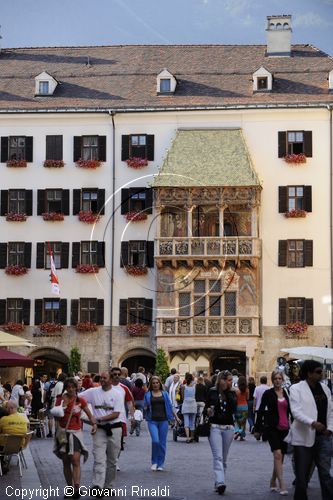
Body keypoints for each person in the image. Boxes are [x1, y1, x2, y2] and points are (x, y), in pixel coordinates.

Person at [289, 360, 333, 500]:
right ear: (309, 373)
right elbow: (296, 412)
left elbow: (330, 411)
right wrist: (312, 423)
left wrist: (330, 428)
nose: (321, 375)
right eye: (318, 372)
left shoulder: (325, 389)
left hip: (323, 436)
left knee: (325, 473)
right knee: (302, 476)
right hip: (303, 437)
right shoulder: (296, 389)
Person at [53, 377, 96, 499]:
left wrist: (95, 424)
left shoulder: (80, 400)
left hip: (76, 432)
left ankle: (77, 487)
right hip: (62, 433)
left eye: (73, 387)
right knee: (66, 461)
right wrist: (62, 409)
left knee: (75, 459)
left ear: (76, 388)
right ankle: (70, 488)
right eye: (68, 387)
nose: (71, 389)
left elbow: (89, 414)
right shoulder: (60, 400)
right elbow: (55, 417)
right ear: (65, 388)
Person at [81, 370, 123, 495]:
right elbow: (78, 398)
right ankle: (97, 486)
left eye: (105, 378)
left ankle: (108, 486)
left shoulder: (117, 394)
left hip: (114, 429)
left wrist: (98, 418)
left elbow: (116, 414)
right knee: (99, 458)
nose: (102, 380)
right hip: (99, 429)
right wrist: (88, 414)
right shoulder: (93, 392)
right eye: (101, 378)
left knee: (112, 460)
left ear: (110, 380)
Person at [254, 370, 291, 496]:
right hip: (272, 428)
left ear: (282, 380)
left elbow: (290, 410)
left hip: (285, 428)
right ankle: (282, 484)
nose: (277, 380)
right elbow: (260, 411)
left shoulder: (285, 392)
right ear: (272, 379)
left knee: (280, 457)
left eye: (280, 378)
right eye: (275, 378)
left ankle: (273, 480)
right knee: (278, 454)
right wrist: (257, 429)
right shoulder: (268, 393)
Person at [205, 370, 236, 495]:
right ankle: (221, 482)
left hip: (228, 427)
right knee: (218, 456)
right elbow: (206, 407)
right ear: (221, 380)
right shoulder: (212, 391)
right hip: (215, 427)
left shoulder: (232, 393)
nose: (231, 382)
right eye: (229, 380)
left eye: (231, 380)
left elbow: (233, 408)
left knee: (224, 458)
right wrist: (208, 411)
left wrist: (227, 392)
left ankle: (218, 481)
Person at [144, 375, 178, 471]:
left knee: (162, 443)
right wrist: (145, 408)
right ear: (151, 384)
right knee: (155, 441)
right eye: (153, 383)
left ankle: (160, 463)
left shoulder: (165, 394)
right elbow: (145, 406)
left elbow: (170, 406)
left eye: (157, 383)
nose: (155, 385)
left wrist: (176, 417)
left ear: (160, 384)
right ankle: (154, 462)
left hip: (163, 421)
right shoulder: (148, 394)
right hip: (152, 421)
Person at [180, 373, 197, 443]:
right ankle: (192, 436)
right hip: (193, 404)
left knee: (186, 422)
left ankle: (187, 437)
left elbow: (182, 396)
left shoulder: (183, 387)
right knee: (192, 422)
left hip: (186, 404)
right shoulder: (194, 386)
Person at [234, 376, 249, 441]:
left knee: (238, 421)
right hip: (245, 406)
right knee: (243, 422)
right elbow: (247, 398)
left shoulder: (236, 390)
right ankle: (241, 436)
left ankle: (238, 431)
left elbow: (235, 399)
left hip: (238, 407)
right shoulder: (247, 390)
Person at [44, 372, 57, 438]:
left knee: (50, 418)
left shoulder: (47, 383)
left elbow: (45, 393)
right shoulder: (58, 383)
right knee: (56, 418)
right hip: (56, 402)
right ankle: (56, 432)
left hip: (50, 402)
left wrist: (44, 401)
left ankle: (50, 432)